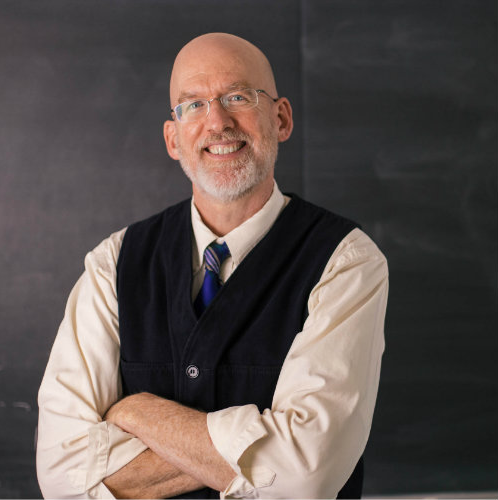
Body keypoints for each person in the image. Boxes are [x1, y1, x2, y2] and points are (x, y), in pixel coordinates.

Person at [36, 32, 388, 499]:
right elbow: (60, 474)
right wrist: (260, 452)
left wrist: (139, 413)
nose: (217, 122)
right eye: (193, 105)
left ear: (280, 119)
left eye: (238, 97)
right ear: (173, 138)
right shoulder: (114, 264)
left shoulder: (346, 262)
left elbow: (306, 477)